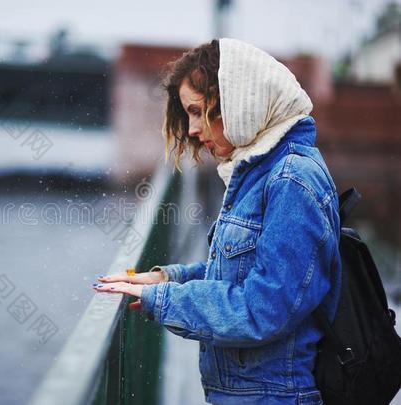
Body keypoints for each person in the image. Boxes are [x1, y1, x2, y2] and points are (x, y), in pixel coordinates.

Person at [91, 38, 341, 405]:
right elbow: (242, 273)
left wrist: (163, 300)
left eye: (199, 111)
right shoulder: (260, 171)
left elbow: (263, 309)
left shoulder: (291, 181)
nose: (192, 130)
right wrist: (167, 278)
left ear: (239, 102)